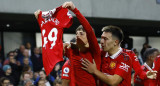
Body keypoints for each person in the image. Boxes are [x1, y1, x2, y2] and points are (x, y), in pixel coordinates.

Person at [62, 1, 101, 86]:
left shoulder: (95, 51)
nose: (78, 36)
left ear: (89, 38)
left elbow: (89, 30)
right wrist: (42, 19)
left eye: (81, 34)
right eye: (76, 34)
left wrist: (74, 10)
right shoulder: (71, 51)